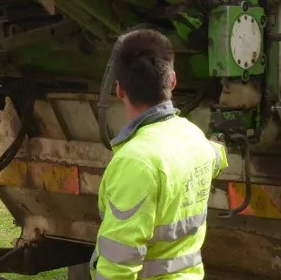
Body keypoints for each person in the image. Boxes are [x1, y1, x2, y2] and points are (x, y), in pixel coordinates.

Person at [90, 29, 228, 280]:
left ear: (119, 90)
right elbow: (217, 157)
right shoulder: (194, 139)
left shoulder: (135, 162)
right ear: (172, 80)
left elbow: (118, 264)